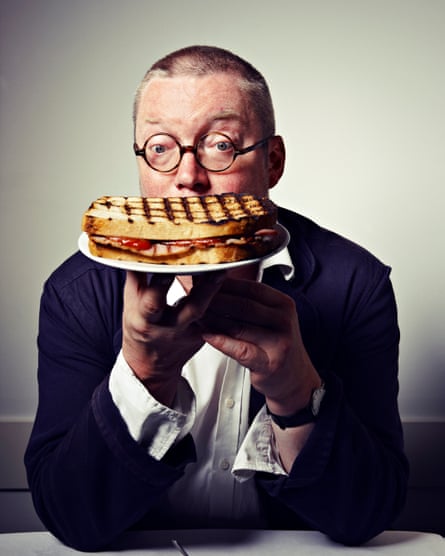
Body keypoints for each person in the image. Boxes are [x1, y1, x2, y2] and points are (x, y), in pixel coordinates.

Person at [25, 45, 408, 552]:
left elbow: (368, 514)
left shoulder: (354, 285)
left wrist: (295, 393)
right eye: (161, 147)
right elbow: (69, 517)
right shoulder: (77, 294)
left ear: (272, 161)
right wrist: (144, 373)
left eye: (220, 144)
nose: (187, 176)